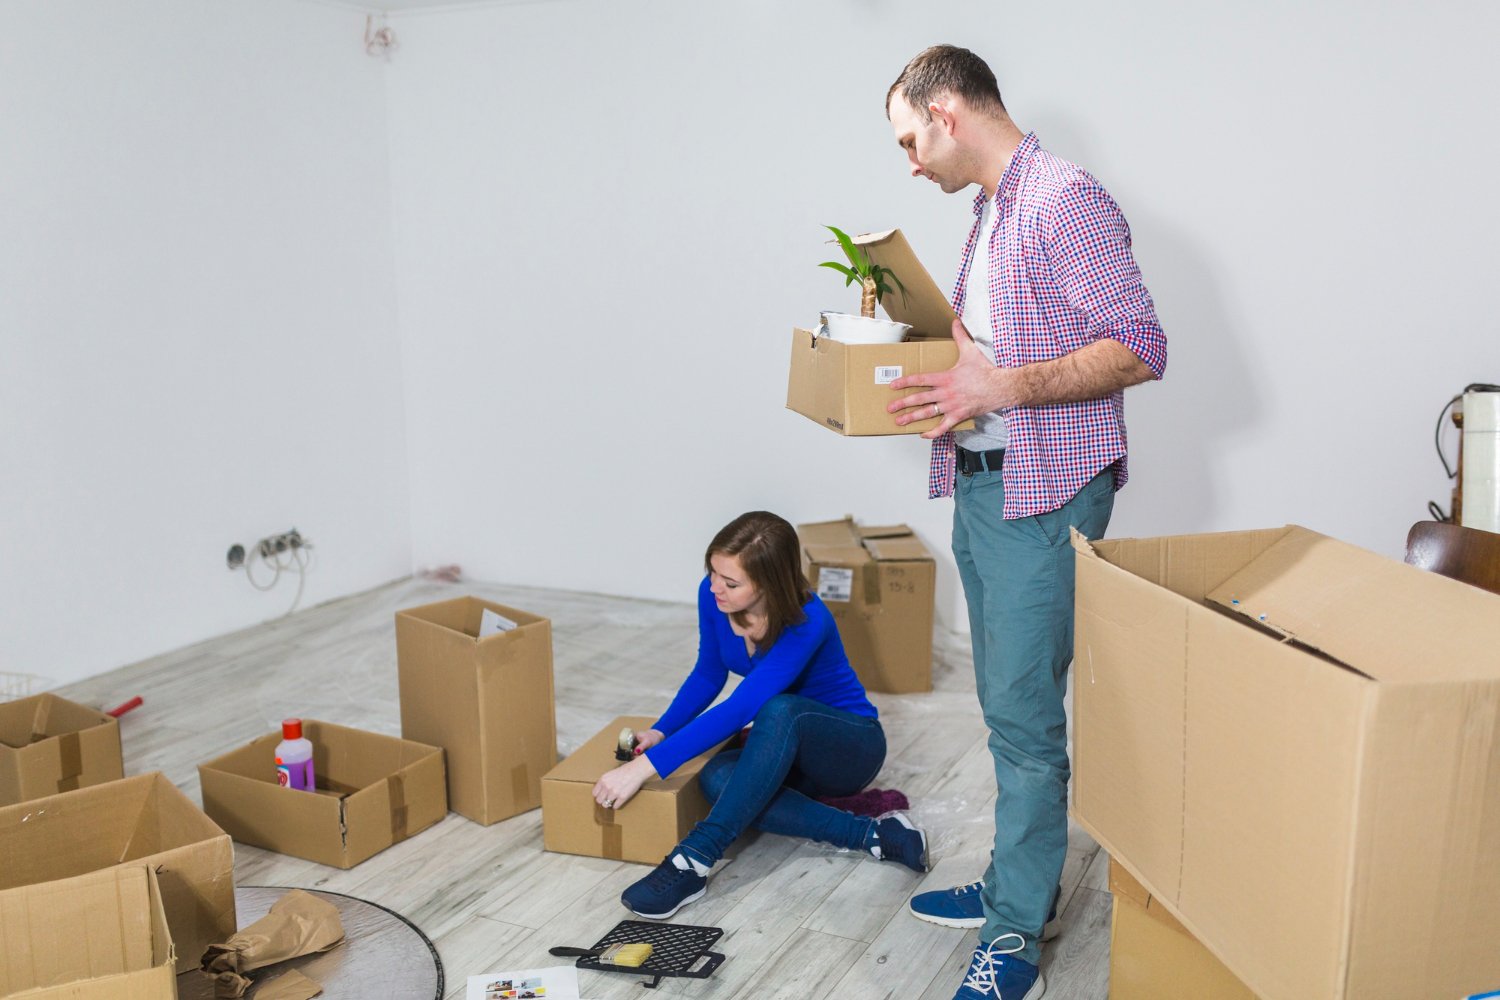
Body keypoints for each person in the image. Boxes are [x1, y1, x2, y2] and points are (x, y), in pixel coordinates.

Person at [882, 45, 1168, 1000]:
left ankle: (1013, 931)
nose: (910, 163)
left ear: (947, 113)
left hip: (1041, 494)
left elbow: (1141, 346)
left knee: (1024, 720)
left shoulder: (1061, 199)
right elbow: (1000, 355)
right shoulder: (992, 210)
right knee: (1007, 708)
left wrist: (999, 386)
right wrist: (947, 368)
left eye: (910, 140)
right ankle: (1020, 882)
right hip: (985, 485)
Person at [593, 510, 928, 919]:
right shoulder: (713, 596)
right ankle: (875, 835)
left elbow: (742, 707)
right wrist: (661, 732)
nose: (714, 587)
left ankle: (695, 858)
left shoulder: (809, 620)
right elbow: (708, 673)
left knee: (779, 707)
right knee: (716, 778)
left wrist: (642, 769)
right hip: (783, 750)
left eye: (730, 582)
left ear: (769, 582)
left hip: (848, 747)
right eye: (712, 572)